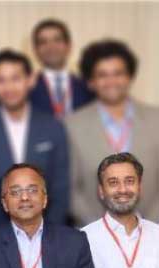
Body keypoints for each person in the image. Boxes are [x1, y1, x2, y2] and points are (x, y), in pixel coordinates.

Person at [0, 50, 69, 237]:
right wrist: (2, 239)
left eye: (15, 78)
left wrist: (43, 235)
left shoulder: (53, 127)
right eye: (1, 80)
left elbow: (61, 190)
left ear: (30, 80)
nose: (9, 87)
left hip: (47, 237)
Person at [66, 39, 159, 226]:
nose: (111, 81)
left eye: (118, 73)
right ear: (91, 82)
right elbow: (69, 188)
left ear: (130, 77)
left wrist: (149, 226)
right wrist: (101, 229)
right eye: (102, 75)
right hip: (92, 232)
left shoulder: (156, 120)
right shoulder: (71, 125)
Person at [29, 19, 94, 119]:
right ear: (35, 50)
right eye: (43, 42)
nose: (51, 47)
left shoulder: (87, 86)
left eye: (57, 40)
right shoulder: (27, 89)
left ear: (69, 46)